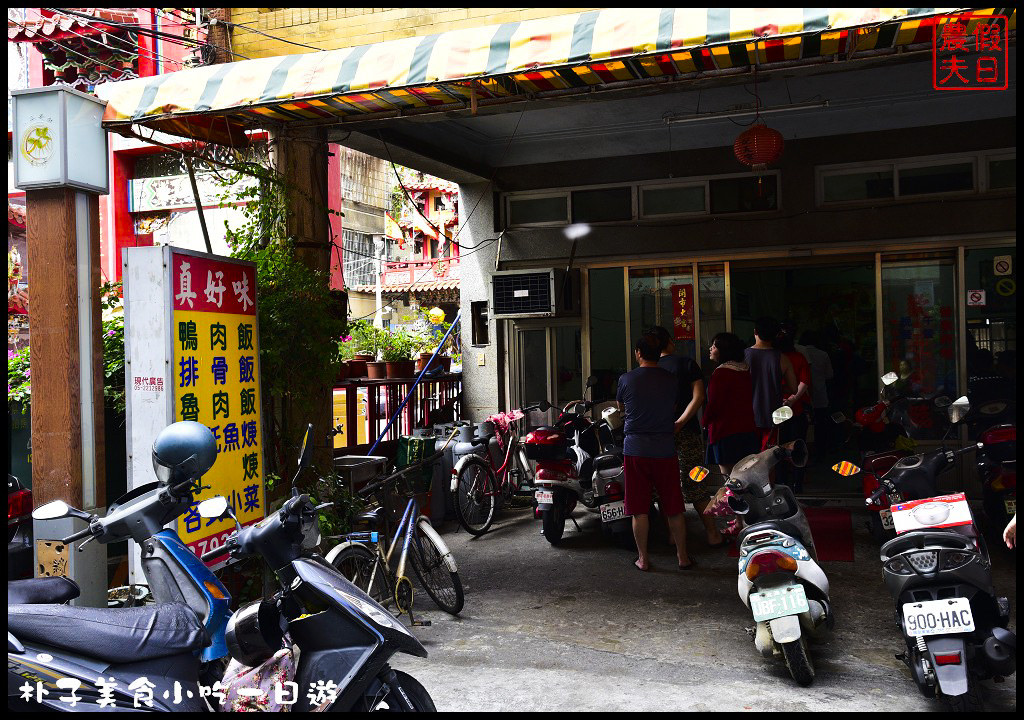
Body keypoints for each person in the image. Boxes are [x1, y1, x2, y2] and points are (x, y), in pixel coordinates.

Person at [616, 333, 692, 571]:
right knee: (674, 505)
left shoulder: (626, 379)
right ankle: (683, 557)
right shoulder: (671, 380)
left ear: (638, 353)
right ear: (659, 353)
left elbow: (621, 408)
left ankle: (643, 558)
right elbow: (673, 407)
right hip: (665, 448)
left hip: (636, 449)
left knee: (639, 508)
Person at [647, 326, 721, 548]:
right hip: (686, 433)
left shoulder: (648, 369)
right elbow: (699, 397)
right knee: (695, 483)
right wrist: (681, 422)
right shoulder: (687, 363)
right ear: (669, 342)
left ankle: (673, 536)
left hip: (657, 437)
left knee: (663, 487)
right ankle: (712, 534)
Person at [702, 332, 759, 478]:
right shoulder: (744, 370)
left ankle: (732, 501)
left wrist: (704, 422)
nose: (710, 348)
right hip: (746, 429)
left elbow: (714, 404)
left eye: (714, 346)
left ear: (723, 350)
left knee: (729, 476)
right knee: (743, 474)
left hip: (724, 431)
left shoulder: (721, 373)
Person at [744, 316, 797, 451]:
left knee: (748, 459)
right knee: (769, 458)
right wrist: (774, 385)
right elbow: (794, 388)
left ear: (755, 332)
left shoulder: (743, 356)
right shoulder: (782, 358)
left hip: (747, 416)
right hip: (773, 417)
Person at [775, 323, 812, 492]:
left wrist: (787, 400)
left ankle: (782, 482)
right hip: (796, 409)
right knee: (797, 447)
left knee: (779, 448)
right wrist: (793, 400)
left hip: (779, 411)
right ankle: (797, 483)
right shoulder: (798, 358)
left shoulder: (773, 357)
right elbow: (805, 382)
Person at [796, 330, 834, 461]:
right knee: (820, 426)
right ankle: (820, 452)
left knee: (803, 427)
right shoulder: (823, 354)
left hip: (801, 396)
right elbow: (829, 375)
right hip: (820, 395)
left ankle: (804, 455)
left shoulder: (798, 353)